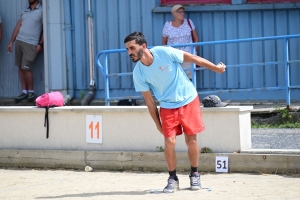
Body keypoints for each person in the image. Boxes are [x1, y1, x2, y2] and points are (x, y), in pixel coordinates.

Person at [124, 31, 226, 193]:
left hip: (188, 99)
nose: (129, 53)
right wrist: (158, 125)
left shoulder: (164, 52)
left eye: (132, 48)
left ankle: (195, 174)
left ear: (143, 46)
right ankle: (172, 178)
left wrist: (216, 68)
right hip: (167, 106)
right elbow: (150, 102)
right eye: (127, 50)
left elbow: (193, 58)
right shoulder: (138, 73)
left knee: (191, 140)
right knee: (169, 142)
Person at [7, 0, 43, 102]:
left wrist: (40, 44)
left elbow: (45, 28)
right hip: (19, 41)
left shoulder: (41, 10)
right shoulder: (24, 10)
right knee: (20, 67)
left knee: (26, 68)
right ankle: (24, 91)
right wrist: (11, 42)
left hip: (31, 43)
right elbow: (18, 26)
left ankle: (31, 91)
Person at [162, 5, 199, 80]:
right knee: (175, 78)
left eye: (183, 11)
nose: (182, 13)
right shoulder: (168, 25)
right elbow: (164, 42)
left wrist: (194, 50)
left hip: (188, 55)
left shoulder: (189, 22)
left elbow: (196, 38)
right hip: (173, 56)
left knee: (188, 78)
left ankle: (189, 91)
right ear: (173, 14)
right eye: (179, 12)